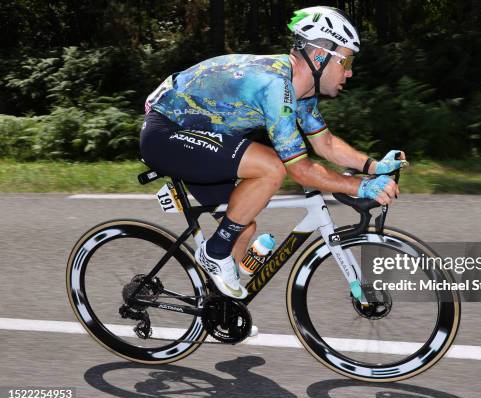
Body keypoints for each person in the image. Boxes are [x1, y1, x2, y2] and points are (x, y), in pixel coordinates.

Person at [140, 6, 406, 300]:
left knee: (242, 224)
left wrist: (373, 167)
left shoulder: (300, 91)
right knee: (272, 167)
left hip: (197, 134)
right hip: (166, 132)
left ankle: (215, 307)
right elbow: (298, 168)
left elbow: (325, 144)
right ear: (320, 56)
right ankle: (214, 254)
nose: (350, 71)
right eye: (347, 60)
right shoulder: (275, 85)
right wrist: (360, 185)